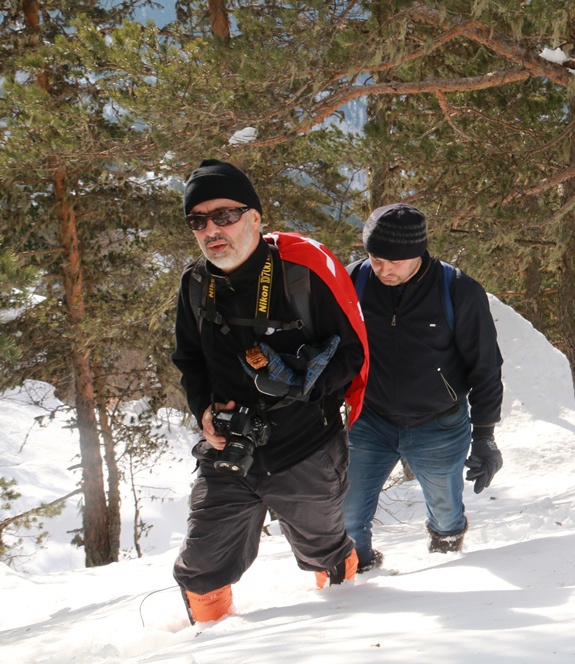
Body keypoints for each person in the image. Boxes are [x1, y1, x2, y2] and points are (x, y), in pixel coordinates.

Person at [171, 159, 369, 623]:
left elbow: (353, 356)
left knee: (324, 549)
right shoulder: (196, 283)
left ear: (255, 218)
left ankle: (353, 618)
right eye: (198, 220)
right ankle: (208, 650)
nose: (210, 229)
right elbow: (190, 361)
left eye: (224, 215)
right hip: (231, 449)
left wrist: (303, 384)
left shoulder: (303, 273)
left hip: (306, 447)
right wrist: (202, 411)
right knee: (201, 565)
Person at [344, 203, 504, 572]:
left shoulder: (458, 290)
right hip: (370, 420)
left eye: (393, 261)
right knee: (349, 516)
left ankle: (447, 565)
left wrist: (484, 435)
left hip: (439, 424)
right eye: (374, 257)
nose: (382, 269)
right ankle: (360, 576)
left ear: (418, 252)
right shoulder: (354, 281)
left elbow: (486, 366)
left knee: (447, 512)